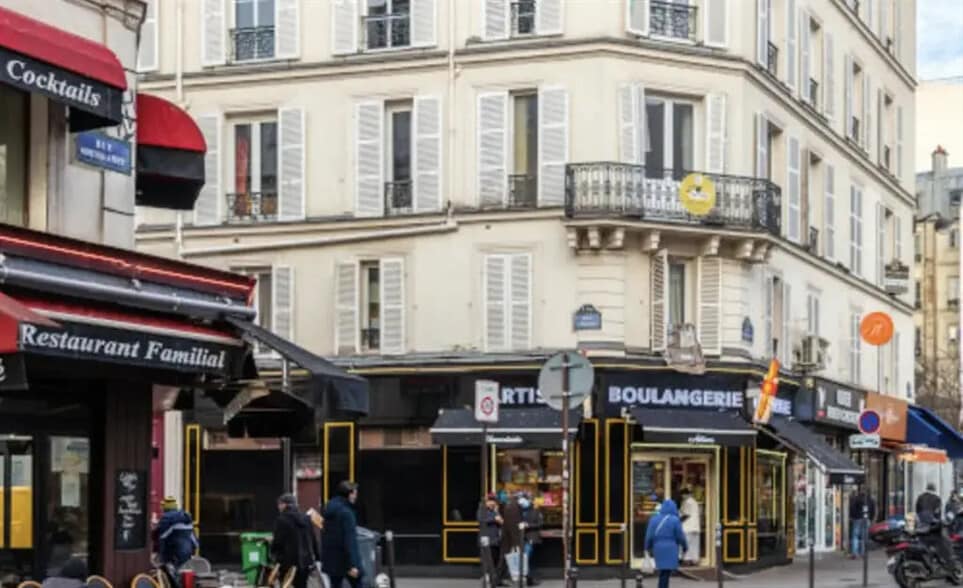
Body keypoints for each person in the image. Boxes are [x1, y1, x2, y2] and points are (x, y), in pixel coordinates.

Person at [271, 494, 320, 588]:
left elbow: (278, 541)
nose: (278, 507)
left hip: (287, 562)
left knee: (286, 585)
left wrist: (273, 554)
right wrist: (317, 556)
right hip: (305, 562)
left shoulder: (282, 520)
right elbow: (313, 538)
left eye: (279, 504)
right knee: (302, 585)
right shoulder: (306, 518)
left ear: (284, 505)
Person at [322, 481, 363, 588]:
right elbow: (350, 540)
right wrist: (354, 564)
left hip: (331, 560)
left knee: (335, 585)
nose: (356, 496)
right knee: (358, 583)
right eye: (354, 493)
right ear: (349, 494)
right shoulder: (346, 513)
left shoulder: (329, 509)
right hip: (346, 561)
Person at [644, 499, 688, 588]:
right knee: (666, 572)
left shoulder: (654, 519)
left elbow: (649, 535)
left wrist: (647, 547)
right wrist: (685, 546)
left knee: (663, 571)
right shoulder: (675, 520)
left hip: (658, 548)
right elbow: (680, 536)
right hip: (671, 548)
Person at [156, 497, 199, 569]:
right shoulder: (186, 517)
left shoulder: (166, 518)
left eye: (162, 506)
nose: (161, 508)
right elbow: (194, 540)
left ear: (166, 508)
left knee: (173, 574)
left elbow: (162, 537)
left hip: (173, 555)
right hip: (187, 553)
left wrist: (162, 556)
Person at [478, 493, 504, 586]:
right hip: (487, 540)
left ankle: (494, 580)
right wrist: (495, 519)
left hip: (496, 540)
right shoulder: (482, 510)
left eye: (493, 501)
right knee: (488, 561)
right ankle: (488, 579)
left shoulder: (495, 510)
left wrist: (498, 518)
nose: (492, 503)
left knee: (495, 559)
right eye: (490, 501)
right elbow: (482, 520)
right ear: (486, 502)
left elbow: (501, 521)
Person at [519, 493, 543, 586]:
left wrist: (528, 525)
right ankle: (527, 578)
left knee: (527, 557)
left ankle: (529, 579)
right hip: (522, 537)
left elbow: (540, 524)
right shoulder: (520, 510)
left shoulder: (536, 510)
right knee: (525, 558)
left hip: (531, 537)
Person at [679, 488, 701, 566]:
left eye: (682, 495)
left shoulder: (687, 502)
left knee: (687, 544)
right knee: (694, 545)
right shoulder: (694, 501)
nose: (682, 496)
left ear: (685, 494)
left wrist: (679, 520)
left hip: (688, 527)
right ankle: (695, 560)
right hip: (695, 527)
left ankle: (687, 560)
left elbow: (686, 514)